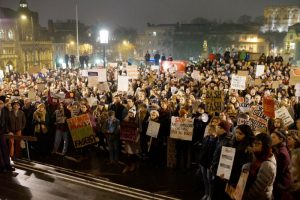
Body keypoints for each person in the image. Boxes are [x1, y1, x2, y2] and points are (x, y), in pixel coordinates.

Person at [243, 133, 277, 200]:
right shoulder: (260, 156)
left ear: (266, 146)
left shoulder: (267, 165)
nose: (254, 145)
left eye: (258, 143)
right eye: (254, 143)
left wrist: (242, 196)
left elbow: (256, 191)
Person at [211, 120, 232, 200]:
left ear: (224, 129)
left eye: (219, 127)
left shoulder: (228, 141)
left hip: (221, 174)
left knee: (219, 193)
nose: (216, 128)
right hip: (217, 169)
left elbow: (227, 159)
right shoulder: (220, 138)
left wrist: (223, 172)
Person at [271, 130, 292, 200]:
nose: (271, 139)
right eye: (270, 137)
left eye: (273, 137)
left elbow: (278, 172)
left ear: (281, 139)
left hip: (282, 184)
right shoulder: (277, 148)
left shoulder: (281, 153)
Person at [0, 97, 14, 172]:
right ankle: (2, 167)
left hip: (2, 133)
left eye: (1, 104)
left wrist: (8, 131)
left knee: (5, 149)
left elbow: (5, 123)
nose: (0, 105)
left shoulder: (4, 111)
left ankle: (8, 165)